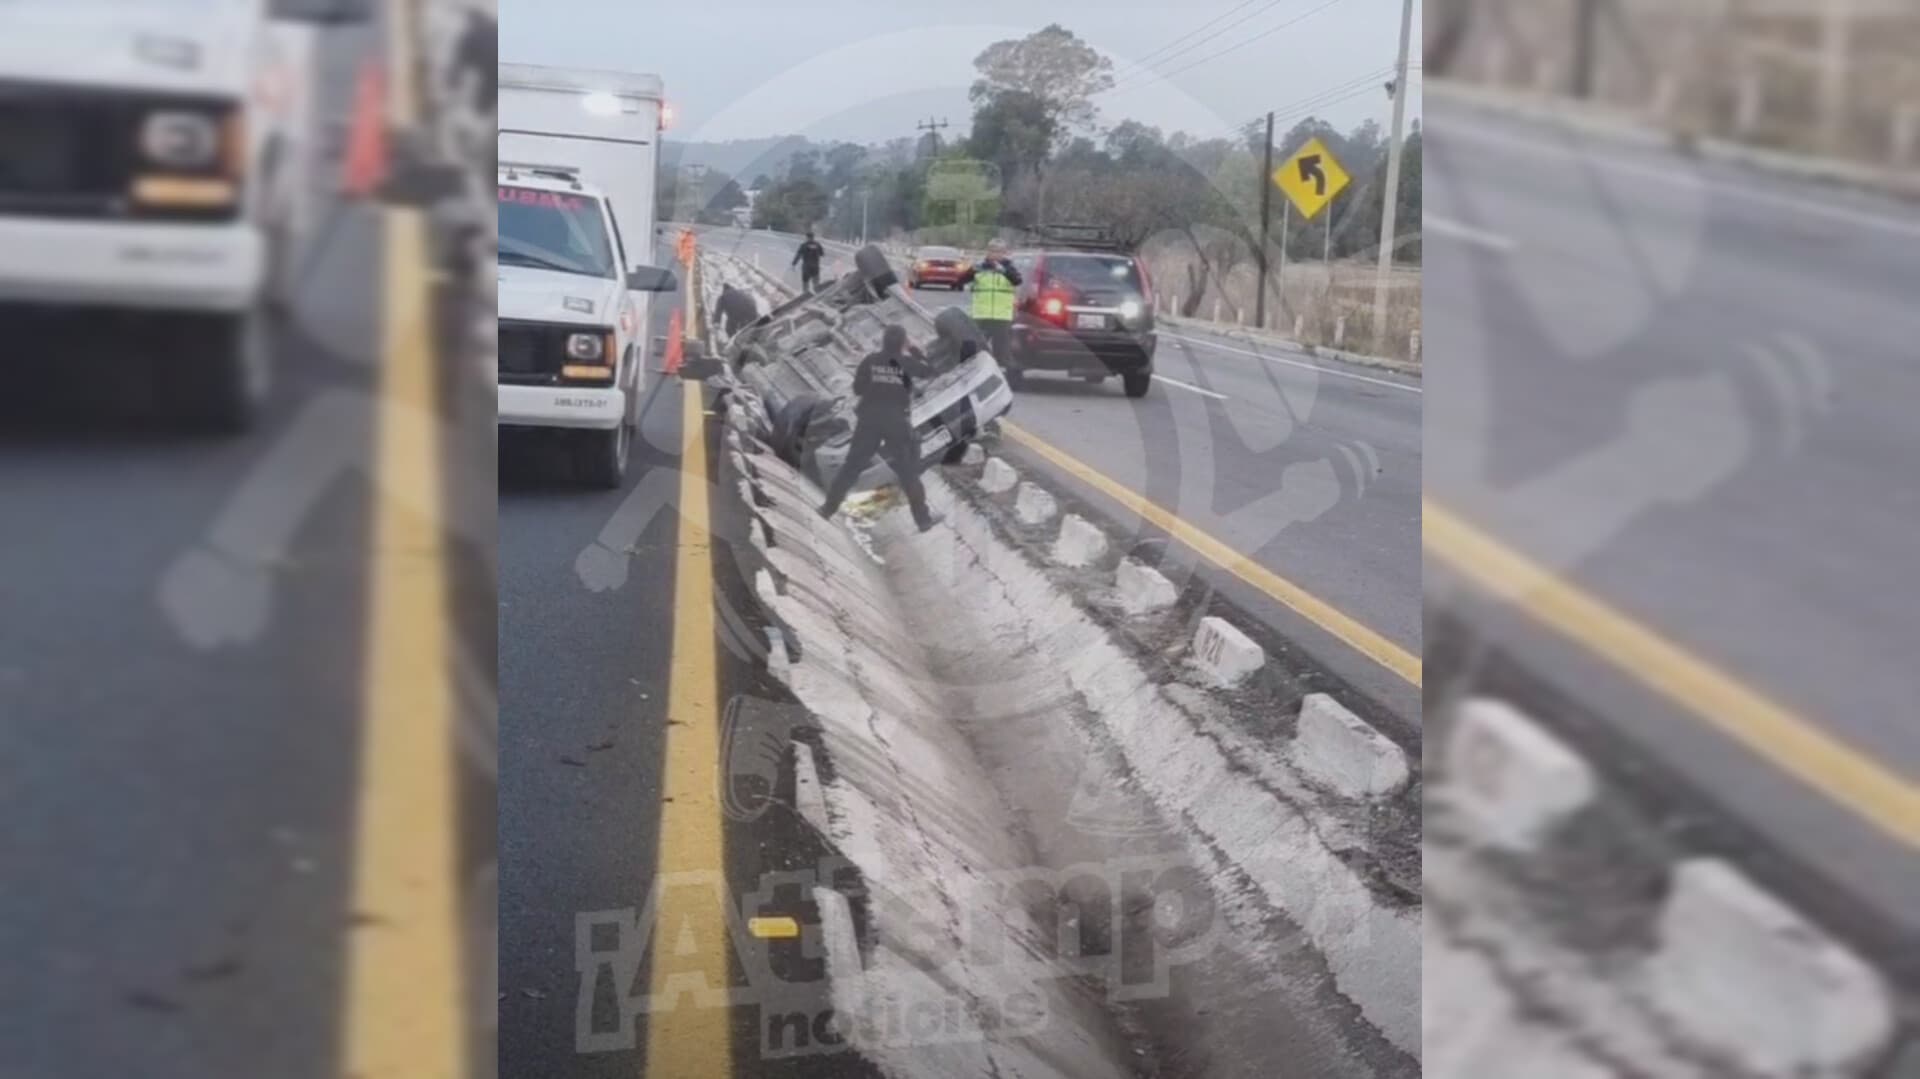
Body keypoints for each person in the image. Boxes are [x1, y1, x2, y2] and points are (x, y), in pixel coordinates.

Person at [818, 324, 938, 532]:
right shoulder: (906, 362)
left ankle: (827, 509)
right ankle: (923, 521)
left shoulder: (870, 361)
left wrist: (876, 387)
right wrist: (915, 351)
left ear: (883, 341)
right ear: (902, 343)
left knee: (851, 468)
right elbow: (931, 371)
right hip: (896, 422)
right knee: (908, 472)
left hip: (869, 419)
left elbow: (857, 389)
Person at [955, 238, 1022, 368]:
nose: (995, 255)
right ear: (988, 252)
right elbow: (960, 281)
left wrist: (1004, 271)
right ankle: (970, 370)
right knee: (975, 348)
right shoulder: (980, 267)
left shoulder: (1009, 268)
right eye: (993, 251)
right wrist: (972, 271)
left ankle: (1003, 375)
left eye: (999, 252)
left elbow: (1017, 281)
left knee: (1002, 351)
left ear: (1004, 253)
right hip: (981, 315)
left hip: (1002, 316)